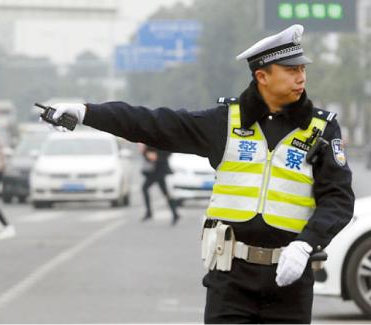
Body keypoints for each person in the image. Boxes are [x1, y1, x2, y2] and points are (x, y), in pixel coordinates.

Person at [44, 24, 354, 323]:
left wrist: (306, 244)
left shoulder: (321, 129)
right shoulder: (225, 122)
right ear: (262, 76)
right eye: (291, 70)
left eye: (302, 69)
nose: (301, 77)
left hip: (291, 278)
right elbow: (153, 123)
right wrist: (87, 112)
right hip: (231, 278)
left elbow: (338, 198)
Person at [139, 144, 180, 225]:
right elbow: (147, 151)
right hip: (154, 170)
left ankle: (149, 212)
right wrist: (145, 153)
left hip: (161, 170)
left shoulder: (163, 137)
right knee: (164, 192)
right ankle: (175, 213)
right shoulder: (151, 137)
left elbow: (169, 152)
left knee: (146, 188)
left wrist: (157, 156)